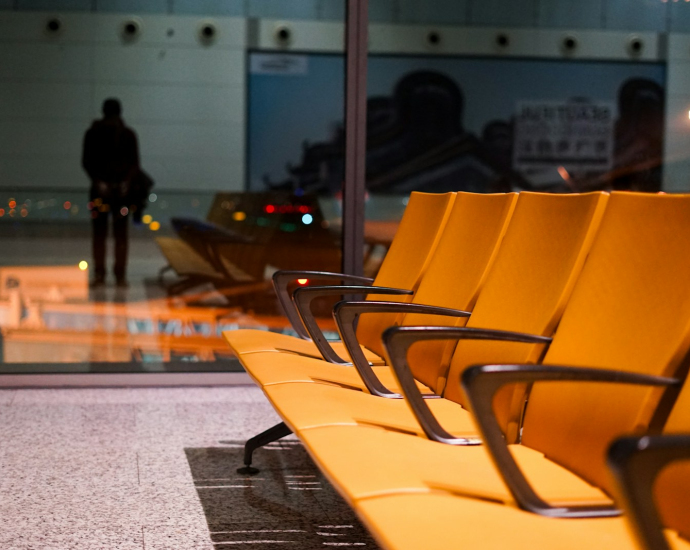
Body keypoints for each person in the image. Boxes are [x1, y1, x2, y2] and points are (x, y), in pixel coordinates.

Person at [82, 98, 139, 288]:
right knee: (121, 236)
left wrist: (99, 181)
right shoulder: (128, 134)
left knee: (99, 235)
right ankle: (120, 275)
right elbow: (134, 164)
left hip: (99, 193)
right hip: (123, 195)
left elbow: (87, 162)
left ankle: (100, 274)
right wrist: (124, 183)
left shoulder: (92, 133)